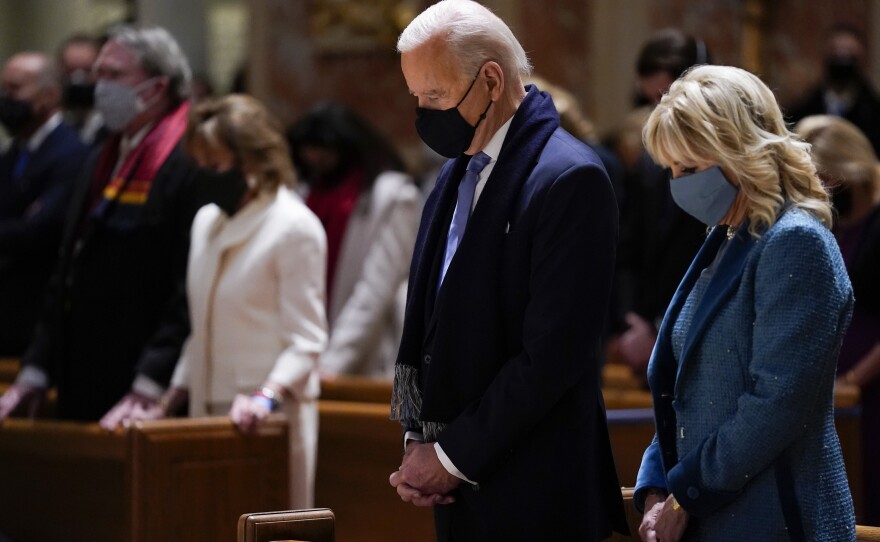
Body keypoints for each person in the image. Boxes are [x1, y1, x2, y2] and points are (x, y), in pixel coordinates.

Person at [386, 1, 627, 540]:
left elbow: (552, 357)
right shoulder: (454, 176)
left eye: (436, 96)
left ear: (491, 80)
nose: (423, 114)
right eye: (416, 97)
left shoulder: (569, 178)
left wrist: (448, 456)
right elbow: (432, 321)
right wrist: (420, 443)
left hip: (535, 494)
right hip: (462, 488)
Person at [634, 65, 855, 541]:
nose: (680, 186)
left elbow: (775, 403)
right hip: (716, 515)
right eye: (671, 170)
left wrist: (685, 492)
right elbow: (686, 388)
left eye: (690, 169)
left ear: (738, 150)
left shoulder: (795, 242)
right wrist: (656, 486)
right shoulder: (727, 236)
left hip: (773, 517)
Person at [107, 94, 328, 508]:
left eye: (216, 165)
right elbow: (201, 327)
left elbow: (307, 340)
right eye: (200, 165)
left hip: (265, 422)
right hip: (206, 415)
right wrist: (167, 401)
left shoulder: (295, 226)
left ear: (254, 161)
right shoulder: (207, 220)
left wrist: (265, 396)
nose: (205, 176)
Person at [0, 25, 200, 423]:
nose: (97, 86)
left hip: (144, 384)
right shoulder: (101, 156)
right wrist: (37, 368)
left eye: (113, 76)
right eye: (98, 74)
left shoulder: (187, 160)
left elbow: (187, 285)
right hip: (85, 371)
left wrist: (151, 381)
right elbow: (69, 266)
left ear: (157, 87)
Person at [286, 102, 420, 379]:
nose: (313, 157)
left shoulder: (393, 196)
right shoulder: (305, 192)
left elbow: (376, 288)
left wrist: (333, 362)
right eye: (307, 149)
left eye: (322, 149)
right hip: (306, 351)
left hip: (369, 355)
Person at [610, 28, 710, 384]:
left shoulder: (724, 169)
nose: (660, 114)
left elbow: (708, 258)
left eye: (665, 99)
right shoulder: (651, 163)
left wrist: (657, 326)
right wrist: (632, 319)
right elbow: (629, 249)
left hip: (701, 334)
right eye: (653, 102)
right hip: (650, 339)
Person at [795, 114, 880, 526]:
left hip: (870, 387)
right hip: (837, 388)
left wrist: (852, 381)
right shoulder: (829, 224)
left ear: (853, 171)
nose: (822, 189)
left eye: (827, 178)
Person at [0, 52, 87, 357]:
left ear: (49, 95)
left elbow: (39, 230)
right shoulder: (13, 152)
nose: (5, 98)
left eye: (14, 89)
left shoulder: (71, 153)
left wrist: (19, 226)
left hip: (38, 311)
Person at [788, 23, 880, 155]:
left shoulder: (874, 114)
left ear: (862, 59)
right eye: (836, 52)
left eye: (849, 54)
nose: (842, 60)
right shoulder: (802, 112)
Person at [57, 33, 105, 146]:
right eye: (70, 70)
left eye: (87, 70)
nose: (78, 78)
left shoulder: (112, 126)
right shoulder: (54, 122)